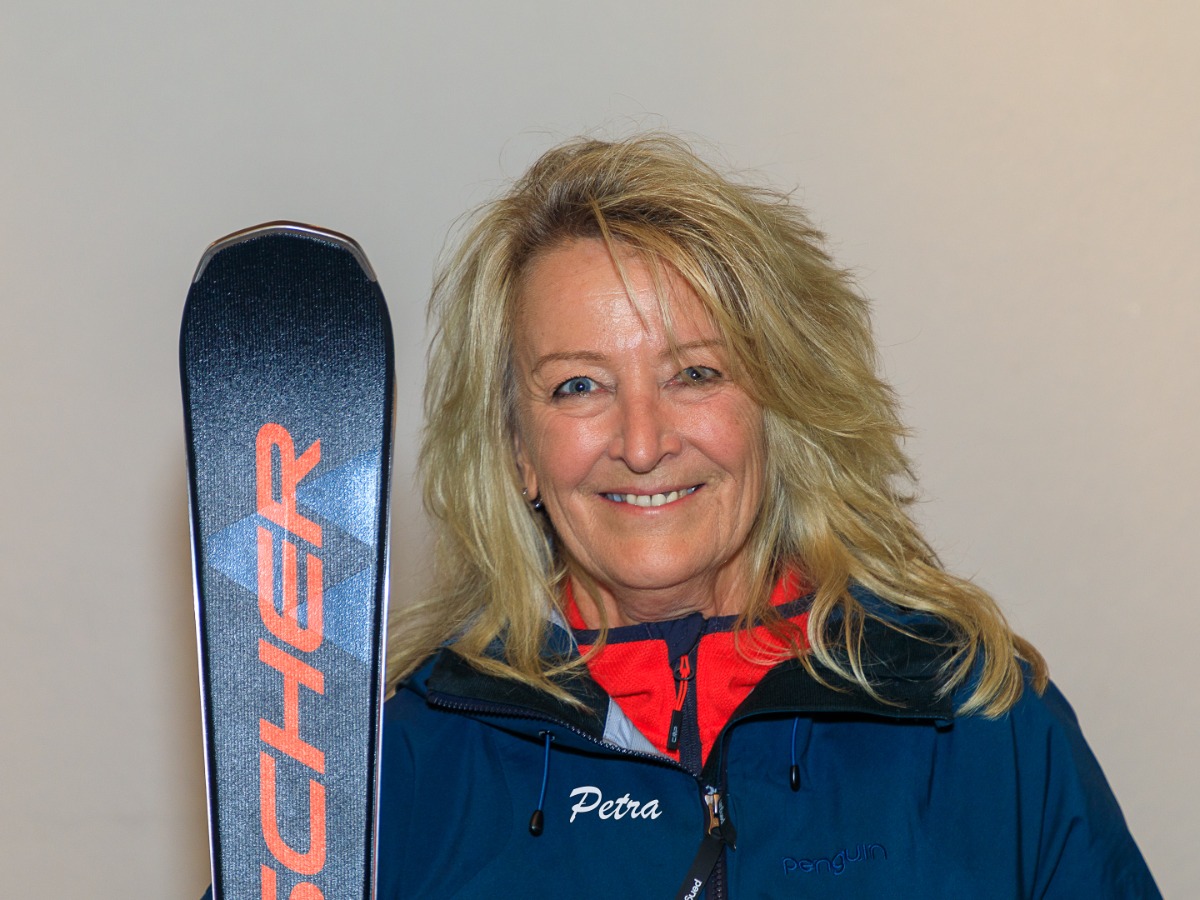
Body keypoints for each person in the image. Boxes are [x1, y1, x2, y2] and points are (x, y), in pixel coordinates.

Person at [378, 134, 1159, 898]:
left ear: (776, 408)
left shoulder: (978, 721)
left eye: (694, 373)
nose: (643, 444)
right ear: (518, 449)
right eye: (578, 386)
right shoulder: (401, 768)